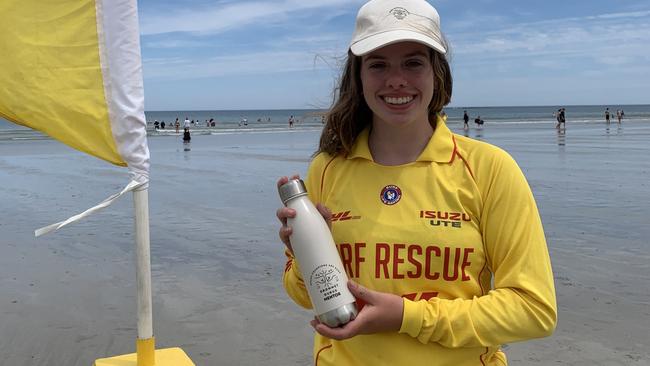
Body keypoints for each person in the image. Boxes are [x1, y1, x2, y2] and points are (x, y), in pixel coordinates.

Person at [275, 1, 556, 365]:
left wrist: (409, 317)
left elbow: (533, 310)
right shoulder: (328, 169)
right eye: (378, 64)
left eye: (413, 62)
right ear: (357, 77)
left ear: (437, 73)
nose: (396, 80)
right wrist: (306, 258)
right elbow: (307, 296)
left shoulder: (489, 169)